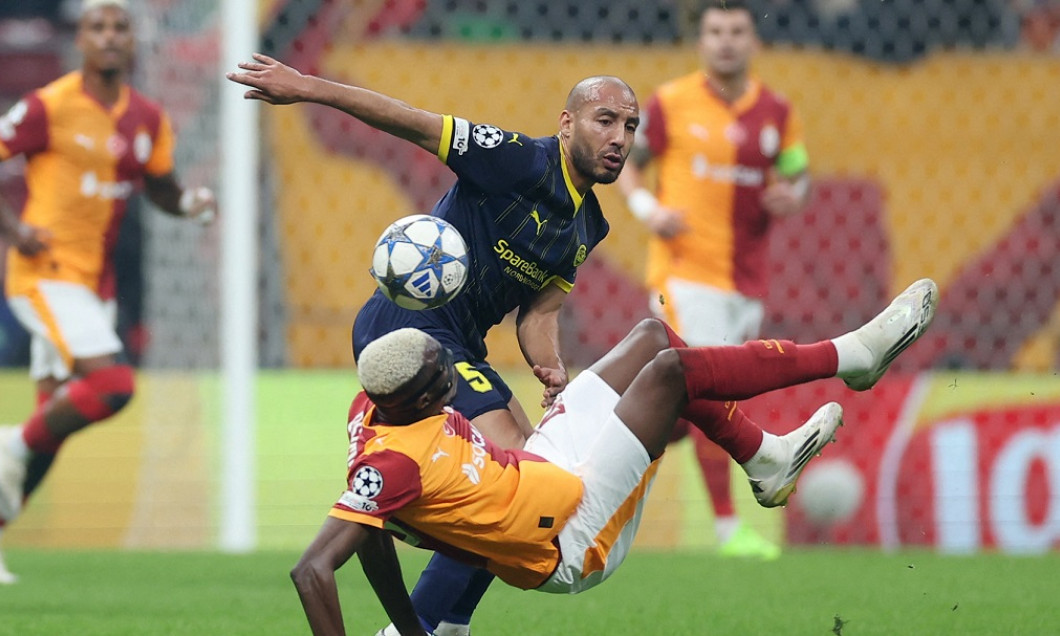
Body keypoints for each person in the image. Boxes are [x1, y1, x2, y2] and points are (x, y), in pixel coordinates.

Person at [226, 54, 640, 634]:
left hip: (459, 345)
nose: (618, 137)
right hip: (409, 329)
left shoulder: (587, 224)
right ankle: (419, 622)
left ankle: (445, 622)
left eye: (629, 126)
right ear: (567, 123)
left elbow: (538, 315)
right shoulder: (518, 160)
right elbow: (414, 122)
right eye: (605, 120)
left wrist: (551, 367)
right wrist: (308, 88)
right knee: (523, 477)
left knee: (505, 483)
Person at [291, 278, 938, 635]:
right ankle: (851, 355)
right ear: (417, 398)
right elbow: (313, 570)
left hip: (542, 468)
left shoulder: (370, 408)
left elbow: (371, 533)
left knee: (650, 337)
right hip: (570, 534)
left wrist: (408, 629)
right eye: (444, 380)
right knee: (667, 376)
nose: (452, 381)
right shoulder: (393, 464)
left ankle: (763, 458)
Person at [0, 0, 216, 584]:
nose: (111, 35)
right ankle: (9, 444)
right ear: (81, 40)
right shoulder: (50, 104)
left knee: (56, 419)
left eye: (121, 26)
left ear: (134, 40)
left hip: (96, 289)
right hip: (45, 272)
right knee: (114, 384)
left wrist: (190, 205)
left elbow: (163, 189)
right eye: (98, 26)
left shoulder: (147, 117)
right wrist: (15, 230)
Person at [616, 0, 811, 560]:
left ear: (754, 42)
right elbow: (631, 159)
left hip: (746, 279)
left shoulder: (776, 110)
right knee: (706, 386)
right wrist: (647, 209)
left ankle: (599, 484)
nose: (726, 41)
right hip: (684, 273)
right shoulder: (672, 102)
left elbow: (798, 171)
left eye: (736, 31)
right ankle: (728, 530)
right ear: (701, 41)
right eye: (716, 31)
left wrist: (791, 195)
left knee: (680, 412)